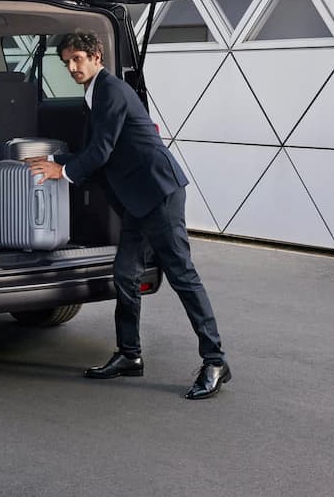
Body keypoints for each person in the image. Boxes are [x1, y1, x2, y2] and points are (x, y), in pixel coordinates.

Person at [28, 32, 230, 400]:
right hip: (137, 198)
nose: (72, 67)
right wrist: (55, 159)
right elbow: (96, 146)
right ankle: (129, 355)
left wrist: (65, 172)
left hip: (158, 192)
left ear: (95, 56)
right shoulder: (96, 92)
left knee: (183, 275)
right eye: (66, 62)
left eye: (77, 59)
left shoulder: (112, 91)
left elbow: (101, 151)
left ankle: (215, 360)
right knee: (124, 273)